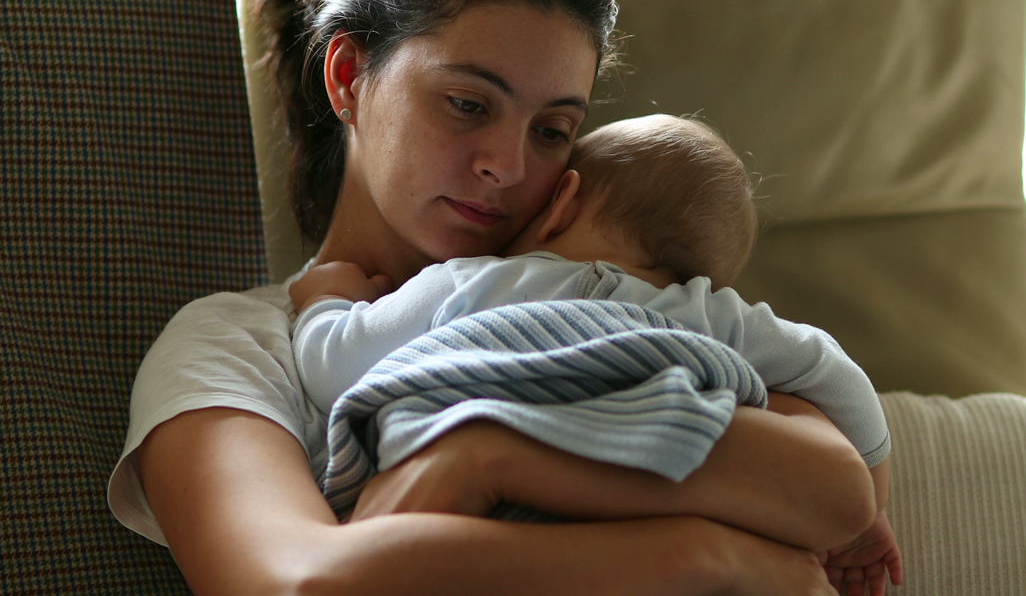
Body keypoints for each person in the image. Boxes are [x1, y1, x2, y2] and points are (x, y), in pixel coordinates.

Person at [107, 0, 876, 596]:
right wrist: (701, 557)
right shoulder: (236, 347)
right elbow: (296, 583)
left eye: (552, 131)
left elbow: (837, 485)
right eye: (468, 104)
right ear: (347, 75)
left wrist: (485, 457)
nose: (506, 166)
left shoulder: (634, 310)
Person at [289, 113, 902, 596]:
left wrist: (325, 301)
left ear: (563, 201)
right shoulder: (707, 312)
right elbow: (829, 368)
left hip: (468, 532)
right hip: (646, 501)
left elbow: (334, 367)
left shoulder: (470, 279)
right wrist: (869, 501)